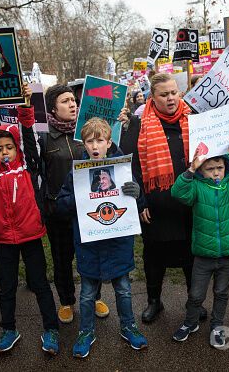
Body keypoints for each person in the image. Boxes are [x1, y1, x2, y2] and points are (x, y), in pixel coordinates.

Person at [0, 85, 60, 355]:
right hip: (4, 239)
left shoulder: (28, 167)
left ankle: (51, 328)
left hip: (30, 235)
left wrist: (26, 106)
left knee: (40, 284)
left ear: (16, 148)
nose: (4, 151)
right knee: (6, 287)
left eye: (9, 146)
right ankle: (9, 329)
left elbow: (28, 137)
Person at [56, 118, 148, 358]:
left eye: (100, 140)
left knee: (124, 290)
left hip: (118, 244)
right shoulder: (76, 174)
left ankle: (128, 326)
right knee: (87, 294)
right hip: (90, 245)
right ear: (84, 145)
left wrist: (137, 194)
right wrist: (77, 198)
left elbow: (136, 200)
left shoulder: (122, 169)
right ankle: (86, 332)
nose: (95, 146)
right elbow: (61, 205)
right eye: (89, 141)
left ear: (109, 142)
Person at [120, 73, 200, 323]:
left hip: (189, 203)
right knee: (154, 256)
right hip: (154, 206)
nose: (171, 98)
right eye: (164, 94)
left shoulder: (194, 118)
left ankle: (193, 301)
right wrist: (140, 200)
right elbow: (129, 166)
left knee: (191, 255)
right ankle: (154, 301)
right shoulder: (138, 123)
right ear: (152, 98)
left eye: (174, 92)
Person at [171, 146, 229, 346]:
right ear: (202, 171)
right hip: (204, 255)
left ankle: (217, 325)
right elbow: (177, 192)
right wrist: (191, 170)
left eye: (219, 168)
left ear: (226, 168)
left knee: (221, 293)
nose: (215, 172)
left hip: (228, 254)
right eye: (210, 168)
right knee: (196, 294)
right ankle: (190, 322)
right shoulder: (196, 188)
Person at [38, 84, 110, 324]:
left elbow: (110, 151)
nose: (72, 104)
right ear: (52, 108)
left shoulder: (85, 131)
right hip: (58, 210)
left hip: (89, 209)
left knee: (91, 256)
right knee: (62, 259)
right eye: (65, 101)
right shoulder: (44, 135)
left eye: (73, 100)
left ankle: (96, 296)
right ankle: (67, 301)